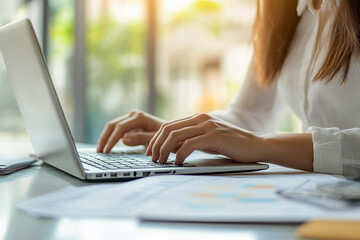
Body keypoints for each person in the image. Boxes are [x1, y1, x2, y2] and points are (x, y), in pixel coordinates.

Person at [97, 0, 360, 176]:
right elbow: (249, 116)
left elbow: (253, 139)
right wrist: (181, 131)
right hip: (313, 200)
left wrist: (262, 145)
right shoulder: (283, 11)